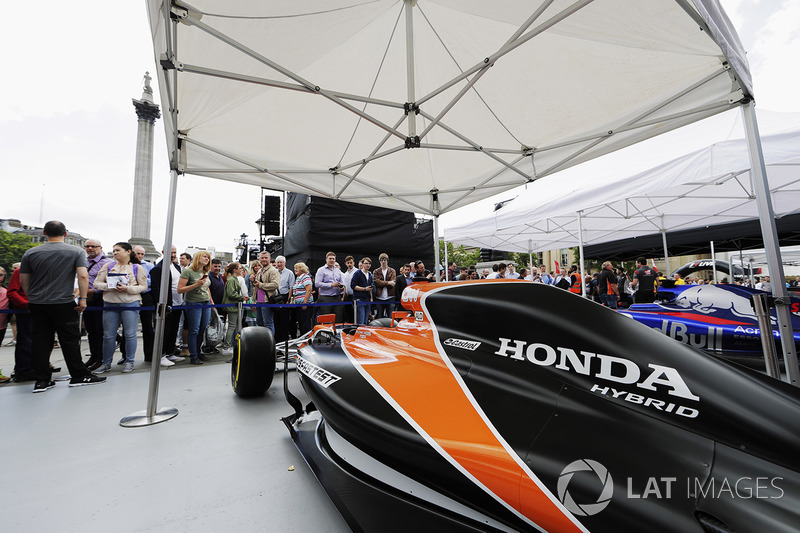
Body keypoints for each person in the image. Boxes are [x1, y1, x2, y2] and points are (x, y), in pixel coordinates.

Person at [19, 220, 106, 392]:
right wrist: (82, 298)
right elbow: (82, 276)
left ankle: (42, 380)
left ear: (44, 233)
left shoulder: (30, 253)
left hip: (37, 303)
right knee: (69, 340)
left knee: (41, 341)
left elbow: (24, 280)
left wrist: (31, 297)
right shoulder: (75, 251)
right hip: (63, 301)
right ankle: (78, 375)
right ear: (65, 233)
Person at [92, 242, 148, 374]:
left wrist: (127, 288)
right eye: (113, 250)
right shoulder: (108, 266)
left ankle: (129, 361)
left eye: (118, 250)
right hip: (110, 303)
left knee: (130, 334)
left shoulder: (137, 268)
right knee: (108, 335)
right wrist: (109, 286)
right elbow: (96, 283)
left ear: (128, 251)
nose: (115, 253)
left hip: (130, 302)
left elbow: (144, 286)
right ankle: (106, 363)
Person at [150, 246, 185, 367]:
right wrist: (160, 304)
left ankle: (170, 352)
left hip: (178, 303)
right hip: (166, 305)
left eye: (175, 252)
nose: (173, 254)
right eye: (171, 252)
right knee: (163, 331)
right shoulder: (158, 268)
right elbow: (155, 289)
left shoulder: (176, 267)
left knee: (173, 330)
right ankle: (161, 355)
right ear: (164, 252)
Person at [82, 239, 112, 370]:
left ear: (100, 248)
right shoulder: (83, 262)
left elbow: (111, 282)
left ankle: (101, 358)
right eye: (87, 246)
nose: (90, 248)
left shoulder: (108, 263)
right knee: (90, 329)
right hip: (85, 299)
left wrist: (94, 291)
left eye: (93, 246)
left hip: (99, 298)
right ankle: (93, 356)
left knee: (100, 329)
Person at [178, 250, 213, 365]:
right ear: (198, 258)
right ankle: (193, 355)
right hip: (193, 303)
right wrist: (196, 284)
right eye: (204, 257)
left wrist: (210, 299)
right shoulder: (188, 271)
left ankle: (198, 352)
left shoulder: (205, 271)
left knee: (202, 329)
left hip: (205, 303)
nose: (207, 259)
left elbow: (206, 287)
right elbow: (180, 289)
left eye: (208, 257)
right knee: (194, 330)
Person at [131, 245, 156, 364]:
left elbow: (153, 281)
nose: (140, 256)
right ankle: (126, 356)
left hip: (146, 295)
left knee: (147, 327)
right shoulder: (127, 266)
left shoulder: (149, 266)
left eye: (142, 254)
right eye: (137, 253)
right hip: (130, 296)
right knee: (129, 328)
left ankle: (149, 354)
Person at [221, 262, 247, 357]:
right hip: (232, 306)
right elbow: (231, 293)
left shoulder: (233, 279)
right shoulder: (231, 280)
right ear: (234, 270)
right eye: (240, 268)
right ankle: (226, 346)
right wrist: (241, 298)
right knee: (232, 326)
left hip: (235, 306)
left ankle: (232, 345)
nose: (241, 270)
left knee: (235, 326)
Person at [252, 251, 280, 336]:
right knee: (259, 323)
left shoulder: (273, 271)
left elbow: (275, 284)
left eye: (266, 258)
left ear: (269, 259)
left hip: (267, 301)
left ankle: (269, 343)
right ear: (259, 259)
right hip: (259, 301)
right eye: (262, 258)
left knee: (268, 323)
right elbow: (256, 287)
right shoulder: (260, 270)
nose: (264, 259)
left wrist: (261, 285)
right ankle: (262, 342)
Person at [315, 251, 344, 321]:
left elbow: (342, 283)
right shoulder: (321, 270)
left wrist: (341, 287)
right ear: (326, 259)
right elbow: (317, 283)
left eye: (333, 259)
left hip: (337, 297)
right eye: (330, 258)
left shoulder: (338, 270)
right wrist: (331, 285)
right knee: (326, 320)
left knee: (338, 319)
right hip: (325, 298)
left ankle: (337, 332)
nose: (332, 260)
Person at [274, 255, 295, 343]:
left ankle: (284, 340)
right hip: (274, 298)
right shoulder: (274, 272)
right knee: (276, 319)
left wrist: (288, 300)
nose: (279, 264)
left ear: (285, 263)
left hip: (284, 296)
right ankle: (276, 339)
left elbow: (291, 287)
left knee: (284, 320)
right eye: (278, 262)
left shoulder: (289, 273)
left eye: (281, 262)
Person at [292, 262, 314, 335]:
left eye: (297, 268)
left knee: (305, 323)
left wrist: (305, 302)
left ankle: (307, 339)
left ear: (301, 269)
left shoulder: (305, 277)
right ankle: (302, 337)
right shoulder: (298, 278)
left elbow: (309, 290)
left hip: (306, 305)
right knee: (301, 323)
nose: (295, 270)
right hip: (299, 305)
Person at [373, 253, 396, 319]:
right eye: (381, 260)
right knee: (379, 317)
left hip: (390, 297)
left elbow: (393, 283)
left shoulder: (392, 271)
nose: (383, 262)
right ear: (379, 261)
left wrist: (382, 283)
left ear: (387, 261)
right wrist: (388, 283)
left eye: (385, 260)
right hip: (380, 298)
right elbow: (376, 283)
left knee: (390, 317)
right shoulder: (376, 271)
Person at [351, 257, 373, 325]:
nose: (368, 265)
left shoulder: (370, 274)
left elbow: (370, 288)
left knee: (366, 321)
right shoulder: (357, 273)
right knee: (360, 321)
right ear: (362, 264)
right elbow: (353, 286)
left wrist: (371, 297)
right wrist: (364, 289)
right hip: (359, 299)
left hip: (367, 299)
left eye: (369, 263)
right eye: (366, 263)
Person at [341, 256, 357, 323]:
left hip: (355, 295)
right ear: (346, 264)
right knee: (348, 314)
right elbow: (345, 287)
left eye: (351, 262)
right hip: (347, 296)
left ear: (354, 263)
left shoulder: (357, 272)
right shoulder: (345, 274)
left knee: (355, 315)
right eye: (348, 263)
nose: (349, 264)